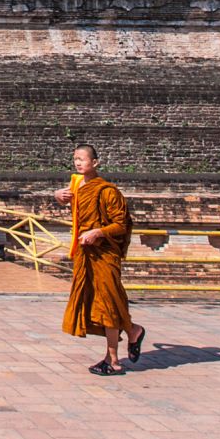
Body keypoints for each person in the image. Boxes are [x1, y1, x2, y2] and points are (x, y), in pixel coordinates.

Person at [56, 143, 145, 375]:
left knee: (108, 304)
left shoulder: (107, 191)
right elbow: (81, 215)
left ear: (95, 163)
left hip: (104, 254)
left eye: (82, 159)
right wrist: (59, 197)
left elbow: (121, 224)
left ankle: (113, 360)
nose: (78, 163)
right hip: (86, 254)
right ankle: (133, 331)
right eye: (75, 159)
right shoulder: (77, 186)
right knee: (100, 302)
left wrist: (98, 232)